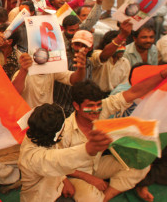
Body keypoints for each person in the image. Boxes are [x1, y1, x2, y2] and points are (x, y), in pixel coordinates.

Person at [60, 74, 167, 202]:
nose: (95, 110)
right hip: (73, 173)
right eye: (90, 106)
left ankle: (107, 196)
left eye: (98, 105)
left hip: (97, 166)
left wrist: (162, 75)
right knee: (92, 198)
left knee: (141, 167)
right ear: (77, 106)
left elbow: (133, 92)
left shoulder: (103, 108)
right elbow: (57, 165)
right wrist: (88, 178)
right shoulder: (65, 129)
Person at [19, 103, 112, 202]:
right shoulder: (33, 157)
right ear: (57, 134)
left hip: (55, 186)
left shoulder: (38, 132)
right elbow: (57, 159)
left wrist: (64, 180)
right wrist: (88, 149)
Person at [12, 46, 87, 109]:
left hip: (46, 119)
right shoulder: (22, 73)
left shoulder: (51, 70)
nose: (42, 58)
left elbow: (74, 80)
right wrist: (24, 70)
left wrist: (81, 68)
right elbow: (14, 93)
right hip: (27, 120)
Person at [54, 30, 93, 117]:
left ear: (90, 48)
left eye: (84, 46)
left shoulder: (89, 64)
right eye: (77, 44)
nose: (80, 48)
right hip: (59, 108)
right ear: (72, 44)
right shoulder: (62, 59)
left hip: (75, 111)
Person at [91, 20, 132, 93]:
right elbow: (103, 56)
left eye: (124, 45)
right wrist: (122, 36)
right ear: (106, 45)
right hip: (96, 95)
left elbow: (124, 86)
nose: (122, 48)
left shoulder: (125, 62)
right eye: (118, 45)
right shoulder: (96, 54)